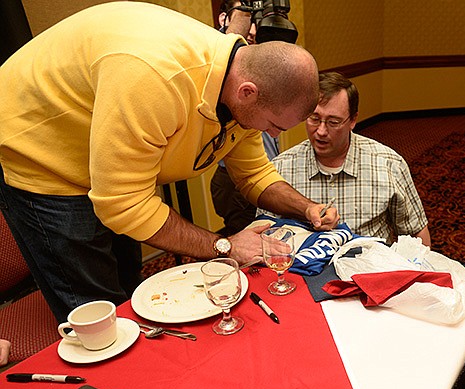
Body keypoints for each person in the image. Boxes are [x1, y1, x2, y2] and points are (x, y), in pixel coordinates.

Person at [0, 2, 339, 322]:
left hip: (105, 167)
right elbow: (124, 206)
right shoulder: (155, 79)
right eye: (275, 126)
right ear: (247, 92)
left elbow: (253, 173)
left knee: (127, 289)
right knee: (99, 312)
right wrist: (224, 245)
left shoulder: (242, 89)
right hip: (38, 155)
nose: (273, 135)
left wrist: (305, 208)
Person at [258, 72, 430, 246]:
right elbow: (264, 235)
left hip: (370, 269)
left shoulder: (389, 164)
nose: (321, 131)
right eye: (314, 119)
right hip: (302, 268)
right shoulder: (280, 168)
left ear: (353, 120)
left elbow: (415, 233)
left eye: (333, 122)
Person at [211, 0, 281, 236]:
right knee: (243, 241)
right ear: (224, 18)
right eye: (245, 15)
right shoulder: (213, 62)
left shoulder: (257, 60)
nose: (252, 29)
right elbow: (225, 48)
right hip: (234, 179)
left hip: (264, 169)